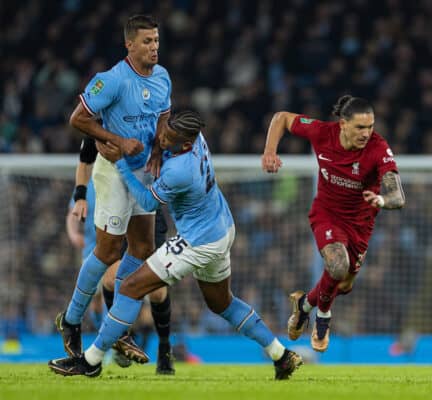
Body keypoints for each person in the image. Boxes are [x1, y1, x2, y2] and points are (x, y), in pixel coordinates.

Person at [48, 110, 303, 380]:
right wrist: (159, 149)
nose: (162, 138)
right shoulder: (195, 137)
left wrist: (121, 164)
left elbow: (147, 203)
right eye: (165, 132)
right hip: (221, 227)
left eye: (169, 138)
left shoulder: (179, 171)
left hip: (199, 240)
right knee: (222, 304)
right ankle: (281, 355)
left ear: (184, 145)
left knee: (131, 286)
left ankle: (90, 361)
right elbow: (166, 135)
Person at [55, 14, 172, 367]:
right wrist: (116, 140)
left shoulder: (164, 77)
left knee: (143, 248)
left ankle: (116, 324)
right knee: (107, 252)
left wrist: (156, 150)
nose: (154, 47)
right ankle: (72, 319)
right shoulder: (111, 81)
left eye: (156, 40)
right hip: (113, 173)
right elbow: (78, 118)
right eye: (147, 42)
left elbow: (164, 115)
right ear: (130, 45)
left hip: (144, 173)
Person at [261, 95, 406, 352]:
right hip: (326, 214)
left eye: (370, 126)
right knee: (338, 267)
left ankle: (304, 305)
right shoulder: (322, 133)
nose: (366, 133)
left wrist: (382, 200)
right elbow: (281, 118)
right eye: (360, 127)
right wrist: (270, 152)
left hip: (360, 225)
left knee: (344, 284)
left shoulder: (378, 148)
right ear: (342, 124)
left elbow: (398, 196)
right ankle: (323, 319)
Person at [66, 137, 175, 374]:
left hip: (146, 211)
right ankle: (121, 336)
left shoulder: (149, 119)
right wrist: (80, 197)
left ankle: (165, 348)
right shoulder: (100, 126)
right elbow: (85, 160)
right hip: (117, 216)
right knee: (109, 279)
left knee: (156, 291)